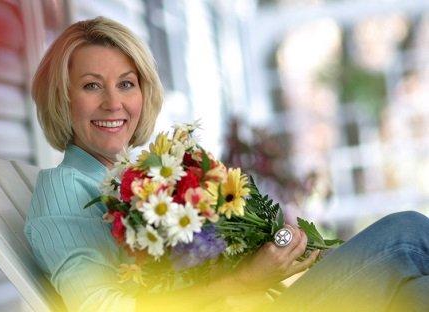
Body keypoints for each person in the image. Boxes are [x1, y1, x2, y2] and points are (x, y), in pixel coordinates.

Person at [25, 16, 429, 312]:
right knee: (405, 234)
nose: (113, 102)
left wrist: (269, 255)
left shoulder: (139, 178)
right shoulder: (66, 188)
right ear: (61, 98)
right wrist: (245, 278)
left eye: (126, 84)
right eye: (91, 85)